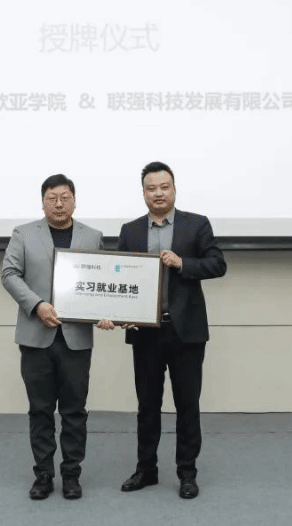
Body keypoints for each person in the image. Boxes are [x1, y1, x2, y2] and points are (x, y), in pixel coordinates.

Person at [117, 161, 226, 499]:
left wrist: (182, 263)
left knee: (187, 405)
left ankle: (187, 473)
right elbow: (120, 278)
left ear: (174, 189)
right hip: (146, 332)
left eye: (164, 187)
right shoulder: (131, 230)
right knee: (147, 405)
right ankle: (146, 469)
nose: (158, 193)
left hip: (186, 332)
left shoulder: (196, 224)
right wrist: (121, 315)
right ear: (143, 193)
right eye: (151, 188)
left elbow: (218, 264)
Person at [1, 174, 114, 501]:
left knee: (74, 411)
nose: (59, 204)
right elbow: (9, 274)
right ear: (43, 202)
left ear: (74, 201)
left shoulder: (92, 237)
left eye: (65, 197)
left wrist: (106, 312)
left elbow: (103, 282)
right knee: (40, 410)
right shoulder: (23, 234)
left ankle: (72, 474)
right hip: (36, 337)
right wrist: (37, 305)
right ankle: (43, 475)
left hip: (76, 339)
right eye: (52, 198)